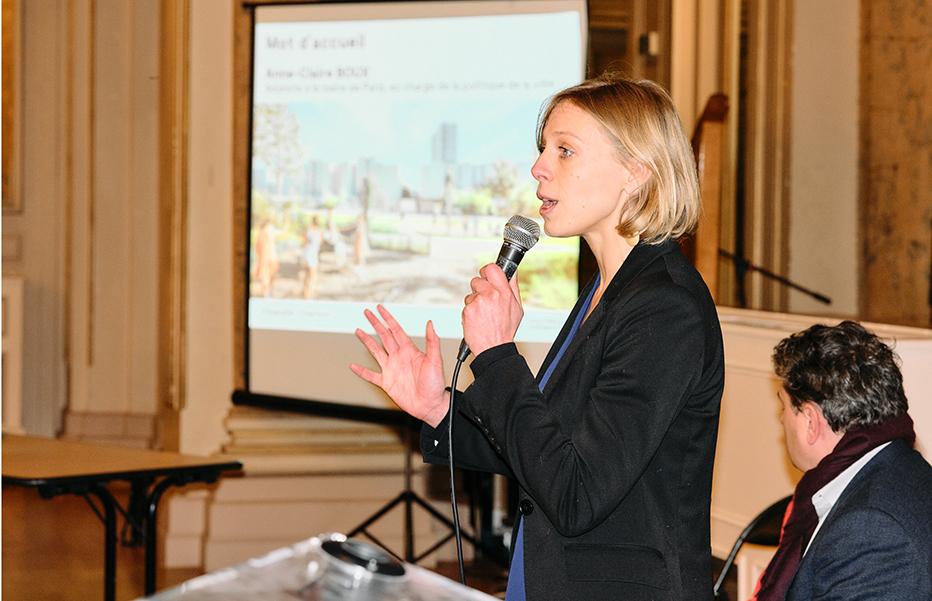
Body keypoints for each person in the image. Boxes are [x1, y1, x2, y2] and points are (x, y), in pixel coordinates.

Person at [350, 74, 724, 601]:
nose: (538, 167)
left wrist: (498, 355)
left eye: (564, 150)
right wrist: (438, 408)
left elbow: (576, 494)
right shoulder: (607, 291)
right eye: (543, 148)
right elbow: (544, 451)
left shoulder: (665, 308)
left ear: (636, 171)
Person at [752, 321, 931, 601]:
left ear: (810, 420)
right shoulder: (903, 469)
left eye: (783, 407)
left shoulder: (871, 528)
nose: (780, 419)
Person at [300, 215, 323, 299]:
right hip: (313, 254)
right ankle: (310, 293)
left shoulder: (308, 230)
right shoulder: (320, 231)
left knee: (306, 274)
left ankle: (305, 292)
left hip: (307, 253)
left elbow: (304, 242)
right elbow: (320, 243)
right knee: (312, 276)